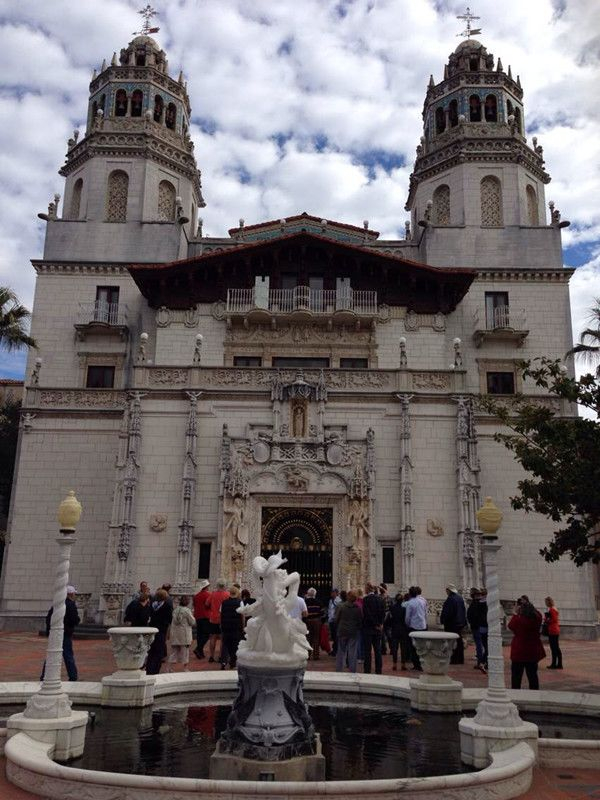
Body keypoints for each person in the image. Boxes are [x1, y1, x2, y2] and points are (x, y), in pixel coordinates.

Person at [41, 585, 80, 682]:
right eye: (74, 594)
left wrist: (49, 631)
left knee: (52, 654)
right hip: (64, 634)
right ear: (70, 594)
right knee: (68, 655)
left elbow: (49, 618)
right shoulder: (70, 605)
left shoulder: (57, 604)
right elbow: (74, 619)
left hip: (55, 633)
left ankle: (44, 675)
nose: (75, 596)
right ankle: (73, 676)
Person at [508, 597, 546, 689]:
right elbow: (537, 613)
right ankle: (534, 693)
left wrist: (515, 613)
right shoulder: (537, 617)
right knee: (532, 676)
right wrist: (528, 605)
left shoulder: (519, 620)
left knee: (516, 677)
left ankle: (516, 694)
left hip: (519, 651)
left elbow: (511, 626)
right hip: (533, 651)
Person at [146, 589, 173, 675]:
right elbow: (170, 619)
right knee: (159, 651)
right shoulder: (167, 605)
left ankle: (149, 669)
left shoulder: (152, 605)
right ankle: (155, 670)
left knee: (151, 650)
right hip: (161, 630)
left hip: (152, 629)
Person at [334, 589, 362, 673]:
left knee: (341, 651)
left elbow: (336, 619)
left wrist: (338, 626)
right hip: (353, 631)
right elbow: (360, 620)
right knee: (352, 652)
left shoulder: (341, 606)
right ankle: (352, 670)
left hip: (342, 631)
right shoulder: (358, 608)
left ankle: (339, 669)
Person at [361, 582, 385, 674]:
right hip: (377, 628)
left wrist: (375, 624)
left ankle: (367, 670)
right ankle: (378, 669)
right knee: (377, 650)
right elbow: (383, 613)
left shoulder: (366, 600)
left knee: (367, 651)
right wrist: (380, 624)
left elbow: (367, 614)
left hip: (368, 628)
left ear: (367, 589)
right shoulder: (380, 599)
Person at [167, 595, 195, 673]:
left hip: (175, 633)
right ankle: (185, 668)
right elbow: (192, 622)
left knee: (174, 651)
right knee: (185, 652)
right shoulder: (187, 611)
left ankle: (169, 667)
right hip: (184, 634)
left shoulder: (175, 610)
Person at [440, 584, 467, 664]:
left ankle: (454, 659)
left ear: (449, 590)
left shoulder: (451, 599)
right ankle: (460, 659)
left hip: (452, 623)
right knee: (459, 641)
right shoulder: (459, 598)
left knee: (452, 641)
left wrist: (443, 620)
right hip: (459, 623)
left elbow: (448, 612)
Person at [219, 586, 244, 669]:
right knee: (235, 644)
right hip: (236, 626)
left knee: (225, 644)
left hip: (226, 626)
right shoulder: (240, 602)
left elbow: (221, 614)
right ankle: (232, 662)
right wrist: (243, 626)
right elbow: (242, 615)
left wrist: (221, 624)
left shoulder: (224, 602)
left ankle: (223, 661)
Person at [206, 579, 229, 663]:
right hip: (223, 619)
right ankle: (220, 656)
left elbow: (207, 604)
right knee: (222, 638)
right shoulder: (227, 594)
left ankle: (211, 656)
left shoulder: (213, 594)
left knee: (213, 637)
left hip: (213, 618)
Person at [404, 585, 427, 671]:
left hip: (413, 626)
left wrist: (407, 624)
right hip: (422, 625)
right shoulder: (423, 601)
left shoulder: (410, 603)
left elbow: (407, 617)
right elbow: (425, 613)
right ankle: (422, 663)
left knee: (414, 646)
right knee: (422, 645)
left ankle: (417, 665)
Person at [467, 588, 488, 673]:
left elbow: (471, 615)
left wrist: (472, 624)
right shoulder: (484, 603)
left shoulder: (475, 604)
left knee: (479, 645)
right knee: (485, 645)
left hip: (477, 627)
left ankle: (481, 662)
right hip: (483, 626)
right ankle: (484, 661)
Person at [388, 592, 410, 671]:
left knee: (395, 648)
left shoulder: (392, 608)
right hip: (403, 630)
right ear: (402, 601)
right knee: (403, 648)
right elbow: (406, 620)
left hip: (394, 629)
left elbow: (390, 619)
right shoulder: (404, 609)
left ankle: (394, 664)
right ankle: (403, 664)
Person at [192, 579, 211, 659]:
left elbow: (194, 605)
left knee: (199, 634)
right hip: (206, 616)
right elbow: (209, 605)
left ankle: (200, 652)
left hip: (198, 616)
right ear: (206, 587)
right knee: (206, 634)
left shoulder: (196, 596)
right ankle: (198, 648)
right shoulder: (208, 595)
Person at [544, 596, 563, 670]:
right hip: (554, 630)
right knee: (555, 647)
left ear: (548, 602)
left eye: (546, 602)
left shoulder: (552, 610)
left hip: (553, 630)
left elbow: (554, 620)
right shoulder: (553, 609)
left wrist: (546, 620)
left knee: (554, 648)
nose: (545, 603)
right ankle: (558, 663)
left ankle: (555, 664)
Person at [304, 588, 323, 660]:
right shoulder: (318, 602)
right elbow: (322, 612)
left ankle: (308, 654)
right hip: (316, 621)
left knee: (308, 638)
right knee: (316, 638)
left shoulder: (305, 602)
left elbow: (303, 612)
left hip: (308, 621)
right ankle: (316, 655)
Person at [327, 588, 342, 656]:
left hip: (336, 621)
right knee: (333, 636)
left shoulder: (339, 601)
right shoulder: (331, 600)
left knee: (336, 636)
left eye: (333, 592)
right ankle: (334, 649)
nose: (332, 594)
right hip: (331, 620)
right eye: (331, 592)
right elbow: (330, 610)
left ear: (336, 593)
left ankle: (336, 650)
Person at [379, 584, 393, 655]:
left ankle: (383, 649)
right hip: (388, 618)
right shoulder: (388, 597)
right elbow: (391, 607)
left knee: (382, 635)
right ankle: (392, 649)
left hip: (381, 618)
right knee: (388, 634)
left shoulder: (379, 597)